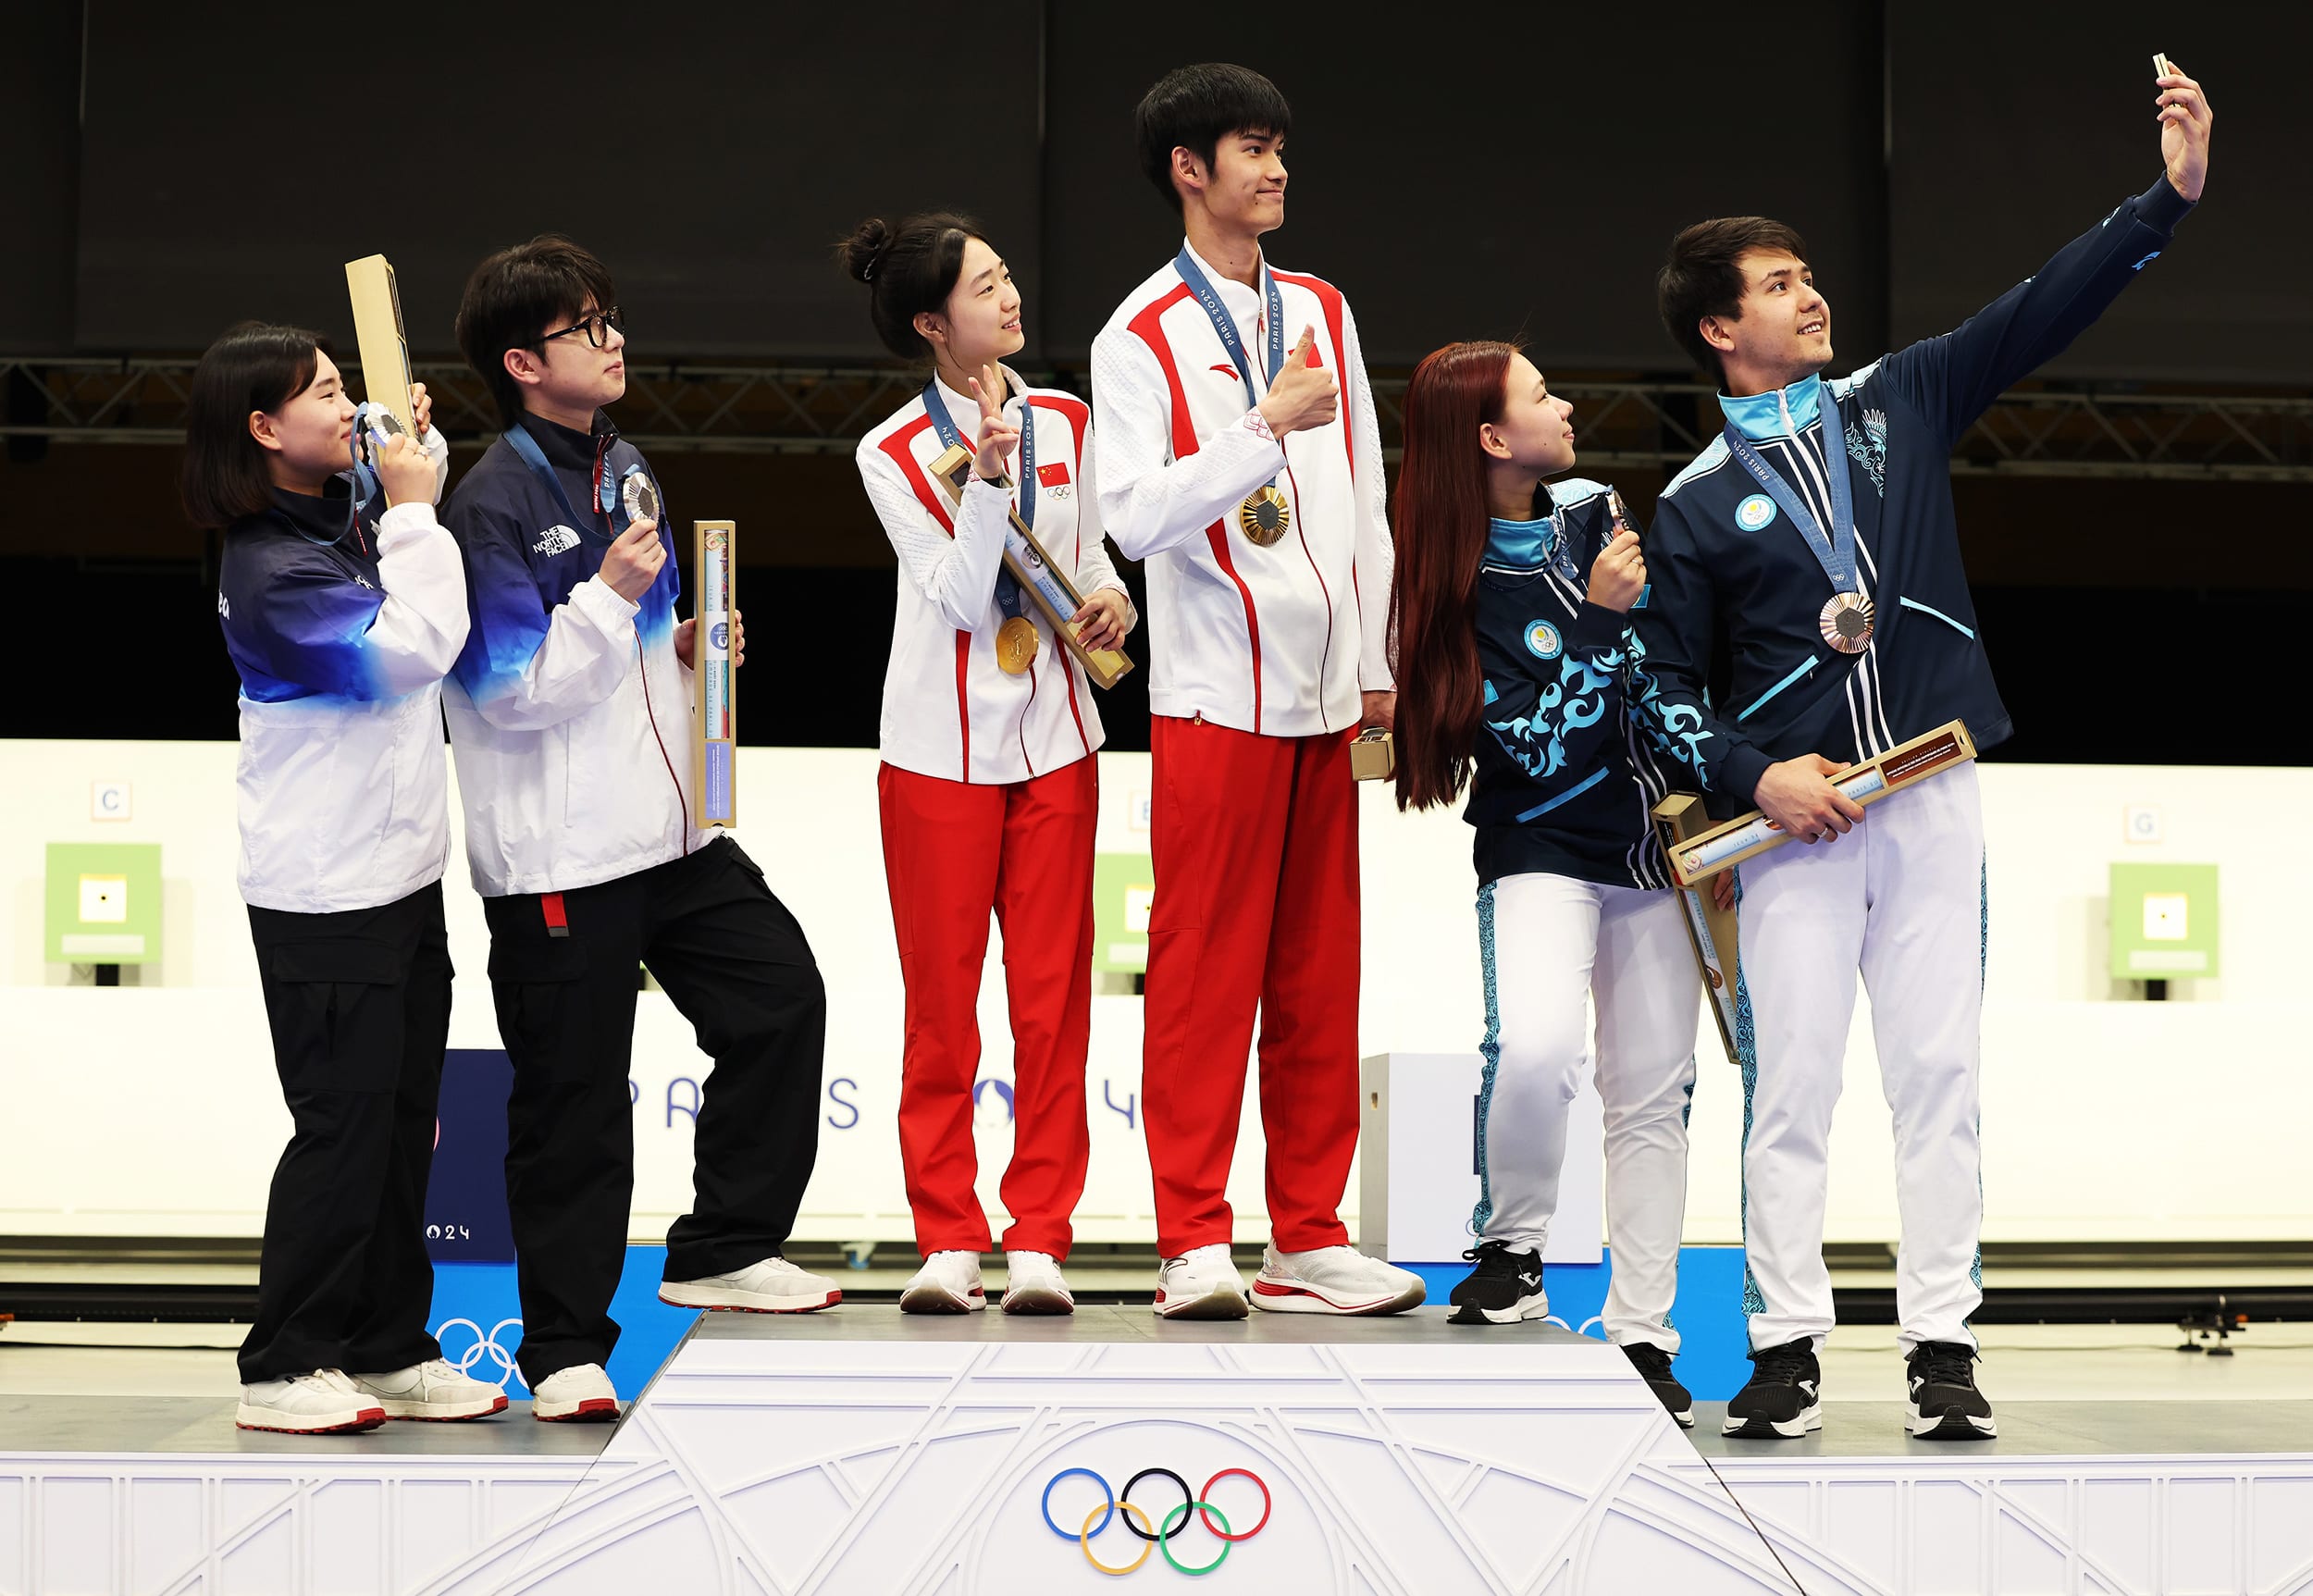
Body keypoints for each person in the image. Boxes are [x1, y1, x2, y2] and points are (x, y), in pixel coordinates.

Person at [1634, 64, 2213, 1441]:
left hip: (1933, 791)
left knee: (1940, 1073)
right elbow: (1655, 686)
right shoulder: (1698, 503)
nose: (1810, 295)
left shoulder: (1900, 399)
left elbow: (2040, 307)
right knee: (1795, 1086)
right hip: (1797, 827)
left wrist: (2166, 203)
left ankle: (1943, 1341)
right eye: (1778, 285)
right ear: (1722, 328)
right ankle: (1784, 1341)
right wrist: (1753, 775)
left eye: (1810, 275)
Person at [444, 236, 836, 1422]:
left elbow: (625, 652)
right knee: (574, 1102)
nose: (614, 341)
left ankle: (724, 1242)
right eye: (585, 327)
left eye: (612, 317)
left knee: (781, 997)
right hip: (563, 856)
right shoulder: (490, 500)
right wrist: (612, 598)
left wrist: (680, 649)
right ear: (523, 361)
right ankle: (562, 1348)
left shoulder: (627, 463)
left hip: (677, 835)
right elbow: (509, 690)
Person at [1091, 63, 1421, 1318]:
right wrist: (1260, 429)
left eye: (1280, 147)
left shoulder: (1324, 309)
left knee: (1318, 972)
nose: (1275, 170)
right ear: (1189, 170)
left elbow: (1369, 502)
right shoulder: (1142, 336)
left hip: (1329, 701)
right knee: (1201, 973)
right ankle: (1191, 1237)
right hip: (1216, 698)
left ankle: (1311, 1232)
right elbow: (1130, 515)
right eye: (1249, 148)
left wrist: (1379, 663)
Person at [191, 323, 501, 1432]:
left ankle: (384, 1347)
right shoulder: (271, 569)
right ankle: (284, 1363)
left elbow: (392, 528)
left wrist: (410, 464)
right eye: (327, 395)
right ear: (265, 429)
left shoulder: (324, 514)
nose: (348, 409)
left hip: (400, 875)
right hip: (326, 894)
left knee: (405, 1119)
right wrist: (416, 503)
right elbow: (416, 647)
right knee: (343, 1125)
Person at [1389, 340, 1703, 1424]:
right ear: (1488, 438)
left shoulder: (1593, 506)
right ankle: (1513, 1245)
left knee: (1652, 1093)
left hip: (1650, 848)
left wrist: (1722, 784)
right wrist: (1596, 621)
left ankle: (1646, 1332)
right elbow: (1524, 739)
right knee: (1533, 1050)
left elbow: (1654, 669)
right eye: (1539, 394)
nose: (1565, 403)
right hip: (1534, 844)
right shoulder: (1448, 577)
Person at [846, 212, 1137, 1314]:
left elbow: (1094, 554)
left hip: (1058, 744)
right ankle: (947, 1237)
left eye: (1009, 276)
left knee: (1054, 1001)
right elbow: (966, 601)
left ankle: (1042, 1239)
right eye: (984, 288)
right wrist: (988, 479)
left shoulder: (1067, 416)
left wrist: (1115, 595)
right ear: (932, 322)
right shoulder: (888, 452)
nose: (1010, 298)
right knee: (942, 1002)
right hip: (934, 753)